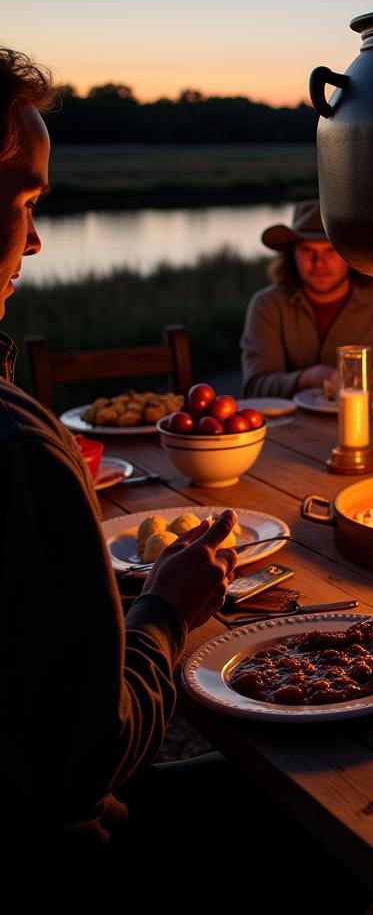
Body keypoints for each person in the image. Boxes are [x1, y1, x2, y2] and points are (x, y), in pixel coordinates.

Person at [0, 47, 238, 859]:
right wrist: (167, 610)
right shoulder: (21, 450)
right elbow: (85, 762)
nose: (33, 243)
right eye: (26, 201)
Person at [240, 200, 373, 397]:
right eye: (307, 250)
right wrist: (306, 378)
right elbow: (255, 387)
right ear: (291, 254)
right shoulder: (268, 305)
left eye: (330, 249)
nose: (319, 263)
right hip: (296, 427)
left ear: (350, 253)